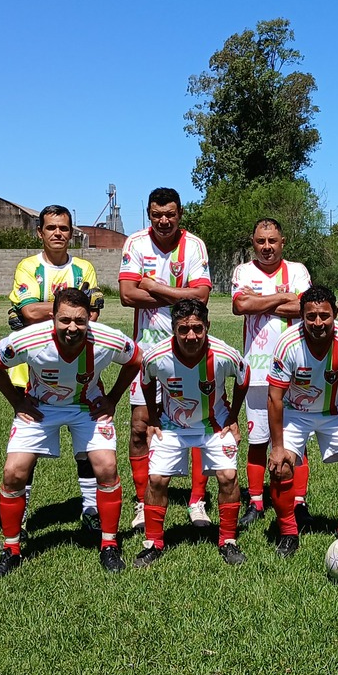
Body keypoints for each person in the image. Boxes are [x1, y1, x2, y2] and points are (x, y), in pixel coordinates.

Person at [0, 288, 142, 577]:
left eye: (80, 321)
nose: (72, 328)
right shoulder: (30, 339)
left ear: (89, 319)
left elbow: (136, 359)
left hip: (87, 406)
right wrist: (17, 401)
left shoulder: (107, 339)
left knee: (106, 467)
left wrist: (113, 398)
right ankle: (12, 549)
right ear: (53, 317)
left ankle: (109, 545)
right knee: (13, 472)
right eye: (64, 320)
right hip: (41, 407)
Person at [119, 187, 213, 532]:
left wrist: (154, 287)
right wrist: (179, 295)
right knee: (140, 427)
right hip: (145, 351)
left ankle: (197, 500)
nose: (163, 220)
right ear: (149, 214)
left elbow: (201, 297)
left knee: (196, 423)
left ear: (180, 214)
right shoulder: (135, 243)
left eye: (170, 214)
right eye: (157, 214)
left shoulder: (195, 245)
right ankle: (144, 502)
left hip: (189, 347)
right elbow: (128, 295)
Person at [7, 204, 104, 531]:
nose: (58, 233)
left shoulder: (84, 268)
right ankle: (20, 513)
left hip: (79, 370)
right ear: (40, 232)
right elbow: (28, 310)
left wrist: (40, 311)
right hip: (32, 372)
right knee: (27, 448)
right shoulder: (27, 267)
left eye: (63, 228)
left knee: (86, 447)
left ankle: (90, 510)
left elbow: (90, 315)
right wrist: (70, 310)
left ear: (71, 231)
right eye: (51, 228)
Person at [133, 299, 250, 568]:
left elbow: (243, 377)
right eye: (183, 329)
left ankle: (228, 541)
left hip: (215, 424)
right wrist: (152, 418)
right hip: (172, 425)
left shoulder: (224, 354)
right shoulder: (156, 356)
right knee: (157, 480)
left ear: (207, 326)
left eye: (197, 328)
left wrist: (233, 417)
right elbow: (146, 383)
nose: (191, 336)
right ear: (173, 329)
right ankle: (153, 543)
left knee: (229, 477)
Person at [266, 285, 338, 557]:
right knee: (280, 468)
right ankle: (289, 532)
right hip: (294, 410)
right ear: (301, 315)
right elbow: (275, 398)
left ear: (335, 313)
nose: (318, 323)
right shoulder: (288, 343)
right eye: (310, 316)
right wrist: (278, 447)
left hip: (334, 409)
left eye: (324, 316)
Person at [231, 218, 312, 529]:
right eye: (261, 241)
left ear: (283, 242)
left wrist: (261, 302)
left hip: (296, 366)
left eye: (272, 241)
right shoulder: (243, 271)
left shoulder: (298, 271)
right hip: (258, 367)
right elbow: (241, 306)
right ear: (254, 242)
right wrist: (283, 297)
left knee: (297, 439)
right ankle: (255, 501)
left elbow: (306, 307)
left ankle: (298, 501)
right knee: (258, 438)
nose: (267, 247)